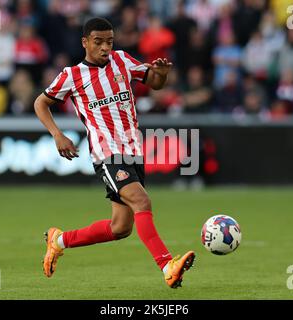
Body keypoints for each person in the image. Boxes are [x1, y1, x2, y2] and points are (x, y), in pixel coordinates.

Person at [33, 17, 195, 289]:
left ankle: (58, 240)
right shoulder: (72, 75)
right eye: (98, 42)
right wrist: (57, 135)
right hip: (107, 153)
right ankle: (168, 266)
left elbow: (155, 83)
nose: (105, 48)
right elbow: (41, 102)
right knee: (142, 202)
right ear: (85, 42)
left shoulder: (122, 60)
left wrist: (161, 73)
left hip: (133, 151)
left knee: (121, 228)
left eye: (109, 41)